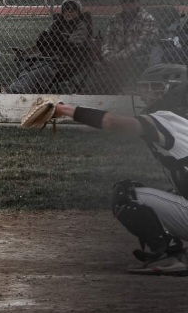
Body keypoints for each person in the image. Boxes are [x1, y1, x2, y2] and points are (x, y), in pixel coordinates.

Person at [40, 65, 188, 275]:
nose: (145, 94)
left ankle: (169, 254)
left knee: (126, 194)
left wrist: (64, 110)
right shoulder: (181, 119)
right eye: (144, 88)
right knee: (172, 191)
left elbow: (112, 121)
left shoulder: (167, 118)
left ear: (174, 89)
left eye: (154, 87)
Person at [6, 0, 100, 94]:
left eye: (73, 9)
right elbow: (42, 39)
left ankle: (15, 91)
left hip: (66, 61)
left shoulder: (81, 25)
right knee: (26, 68)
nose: (69, 11)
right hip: (49, 57)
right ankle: (20, 91)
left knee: (40, 71)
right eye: (66, 8)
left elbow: (72, 45)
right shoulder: (57, 23)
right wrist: (54, 40)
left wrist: (55, 40)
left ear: (78, 12)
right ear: (63, 11)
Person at [97, 0, 158, 94]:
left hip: (136, 57)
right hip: (114, 56)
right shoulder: (115, 18)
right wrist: (107, 54)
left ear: (138, 2)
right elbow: (107, 39)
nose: (128, 3)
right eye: (124, 1)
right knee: (100, 63)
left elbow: (140, 44)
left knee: (111, 72)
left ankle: (109, 91)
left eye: (131, 0)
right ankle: (110, 91)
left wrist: (119, 56)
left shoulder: (147, 19)